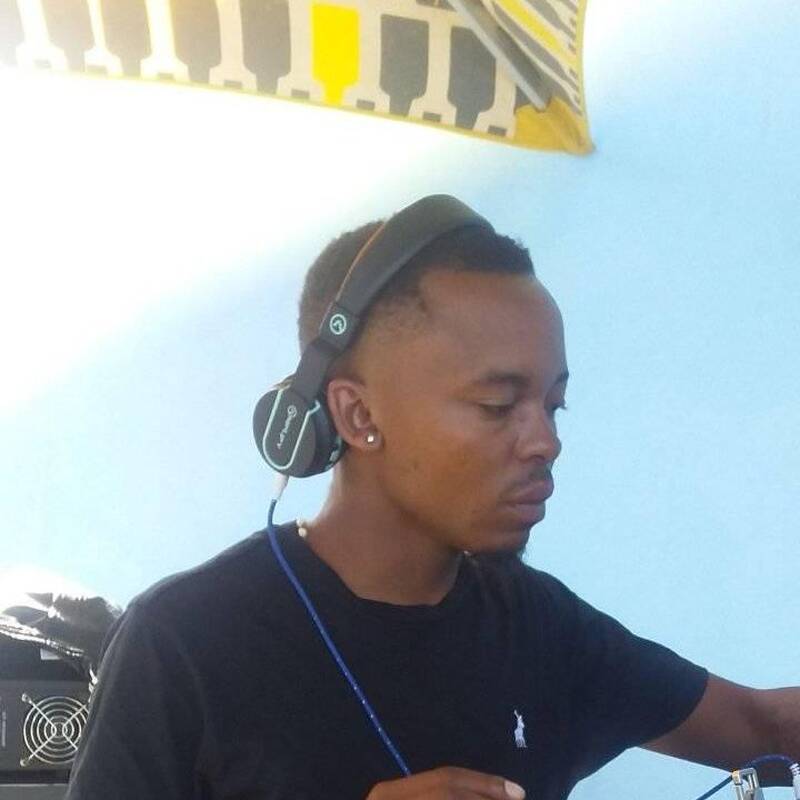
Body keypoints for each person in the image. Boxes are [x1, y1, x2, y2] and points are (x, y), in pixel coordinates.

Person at [65, 197, 798, 800]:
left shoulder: (542, 630)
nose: (545, 442)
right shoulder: (185, 642)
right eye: (498, 405)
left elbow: (760, 726)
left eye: (554, 405)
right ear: (358, 414)